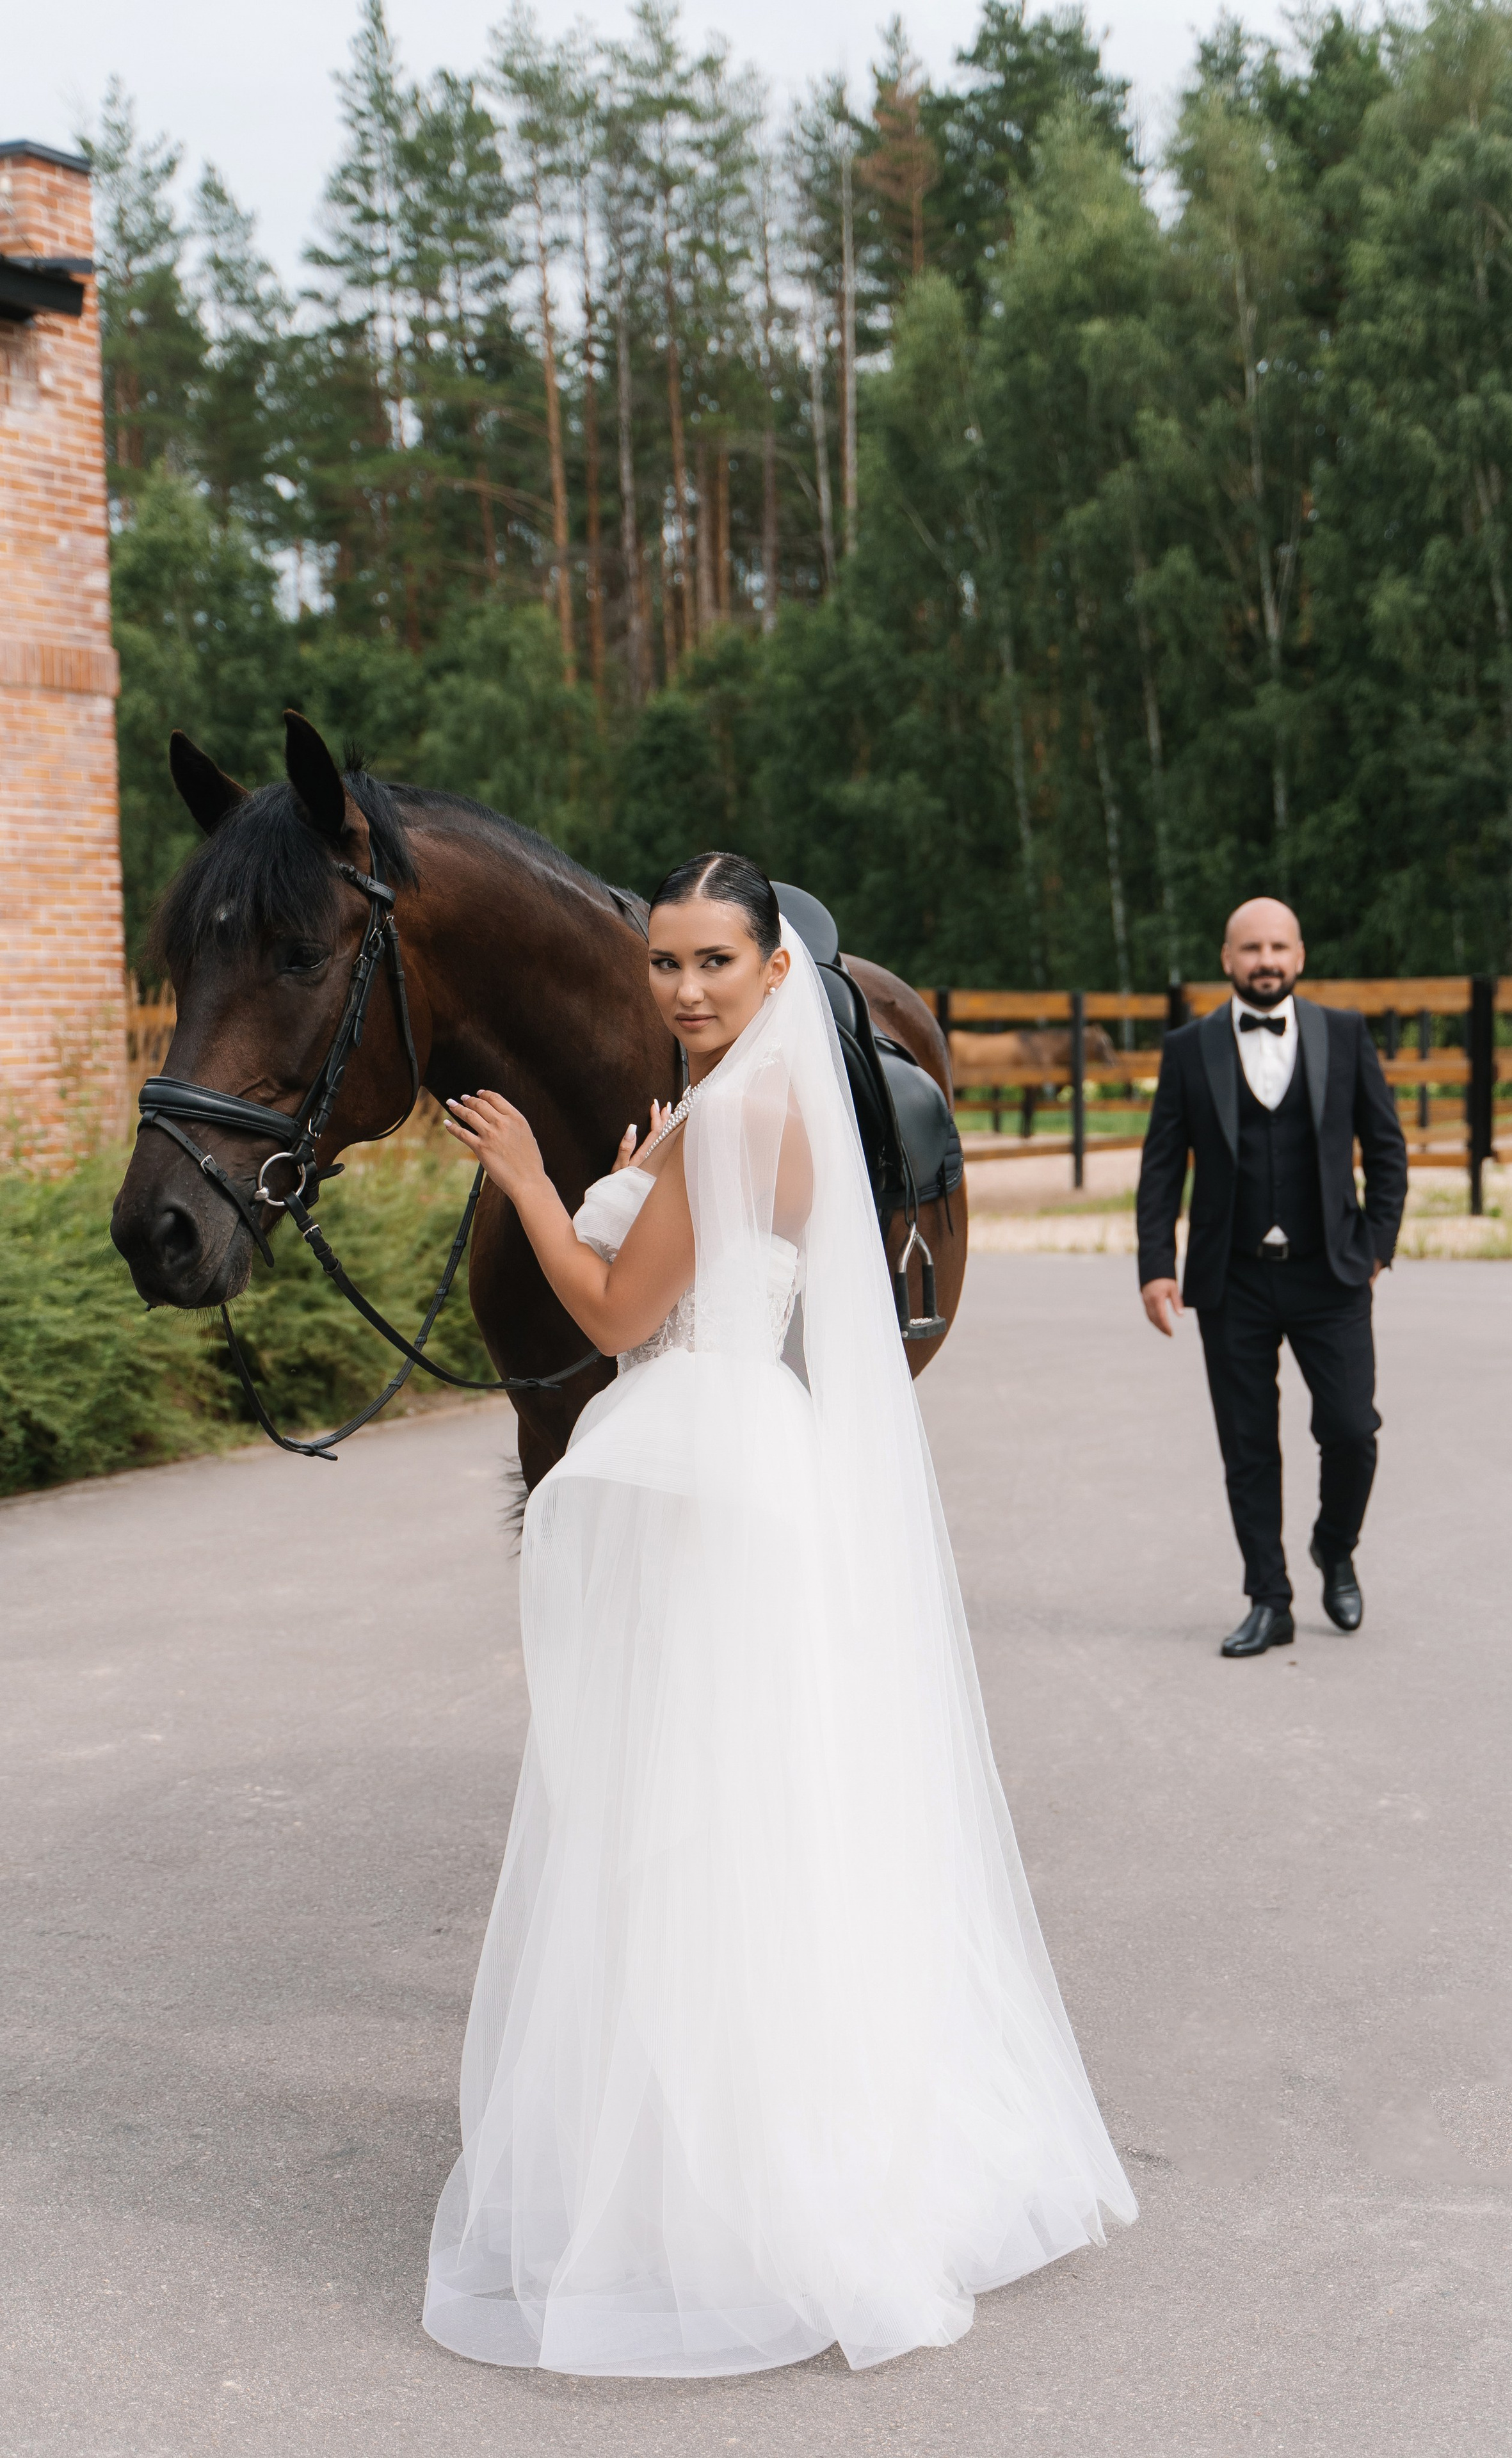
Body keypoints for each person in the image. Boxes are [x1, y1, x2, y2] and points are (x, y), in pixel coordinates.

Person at [426, 852, 1135, 2377]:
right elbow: (709, 1253)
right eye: (663, 962)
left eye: (711, 964)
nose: (681, 988)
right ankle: (783, 2142)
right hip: (760, 1458)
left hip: (691, 1456)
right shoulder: (771, 1111)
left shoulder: (732, 1116)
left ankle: (712, 2187)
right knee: (762, 1813)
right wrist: (647, 1175)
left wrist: (541, 1188)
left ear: (770, 971)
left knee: (675, 1816)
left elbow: (615, 1317)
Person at [1134, 898, 1408, 1659]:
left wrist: (1378, 1247)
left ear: (1299, 956)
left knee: (1352, 1430)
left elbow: (1387, 1150)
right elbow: (1161, 1167)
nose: (1265, 960)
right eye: (1251, 947)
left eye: (1278, 947)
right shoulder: (1189, 1049)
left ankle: (1334, 1547)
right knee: (1248, 1446)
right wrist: (1157, 1266)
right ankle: (1269, 1598)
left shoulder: (1345, 1035)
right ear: (1226, 958)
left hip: (1332, 1274)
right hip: (1232, 1280)